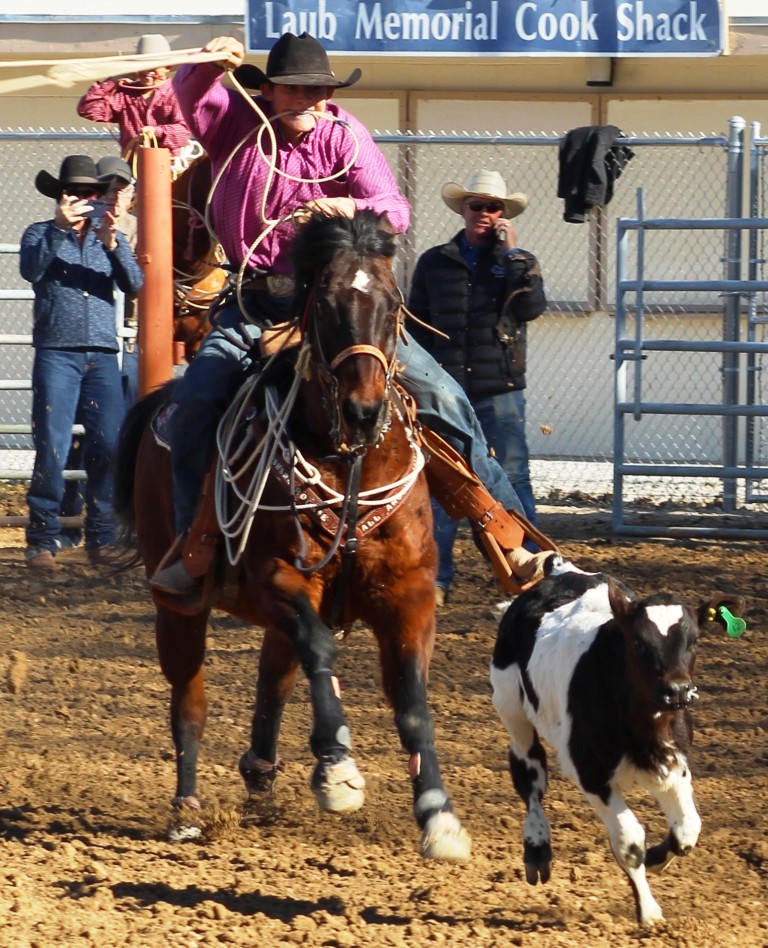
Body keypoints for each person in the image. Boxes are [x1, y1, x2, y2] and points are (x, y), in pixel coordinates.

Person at [150, 32, 550, 596]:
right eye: (296, 89)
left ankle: (509, 537)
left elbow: (395, 211)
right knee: (195, 404)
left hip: (337, 306)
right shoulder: (236, 125)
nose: (311, 98)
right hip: (255, 302)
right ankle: (197, 551)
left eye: (320, 88)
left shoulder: (345, 135)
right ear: (269, 91)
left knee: (443, 398)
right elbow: (187, 93)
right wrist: (210, 59)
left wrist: (349, 205)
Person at [408, 170, 546, 605]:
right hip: (443, 389)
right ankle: (435, 578)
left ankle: (531, 568)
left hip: (498, 387)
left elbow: (530, 308)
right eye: (477, 205)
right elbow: (418, 323)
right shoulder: (434, 262)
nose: (484, 213)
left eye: (493, 207)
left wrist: (512, 257)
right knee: (442, 481)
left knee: (512, 476)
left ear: (503, 215)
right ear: (463, 210)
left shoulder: (517, 263)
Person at [20, 155, 144, 570]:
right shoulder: (40, 234)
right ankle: (41, 540)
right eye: (73, 193)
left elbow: (135, 283)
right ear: (59, 196)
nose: (83, 200)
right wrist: (58, 229)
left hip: (103, 355)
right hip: (57, 352)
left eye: (90, 193)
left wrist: (112, 242)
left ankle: (102, 537)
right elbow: (31, 270)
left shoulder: (107, 237)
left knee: (108, 446)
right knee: (52, 446)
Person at [57, 155, 140, 550]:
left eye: (121, 188)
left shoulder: (142, 230)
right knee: (78, 437)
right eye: (106, 189)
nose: (113, 196)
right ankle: (70, 518)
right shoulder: (82, 230)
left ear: (132, 195)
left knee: (116, 439)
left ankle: (110, 521)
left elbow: (138, 281)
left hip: (130, 343)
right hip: (102, 341)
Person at [77, 34, 192, 164]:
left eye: (154, 67)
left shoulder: (178, 92)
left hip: (168, 165)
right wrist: (112, 81)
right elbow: (88, 109)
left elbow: (183, 132)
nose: (148, 73)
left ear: (167, 68)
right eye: (143, 66)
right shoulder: (124, 94)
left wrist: (156, 132)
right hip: (132, 164)